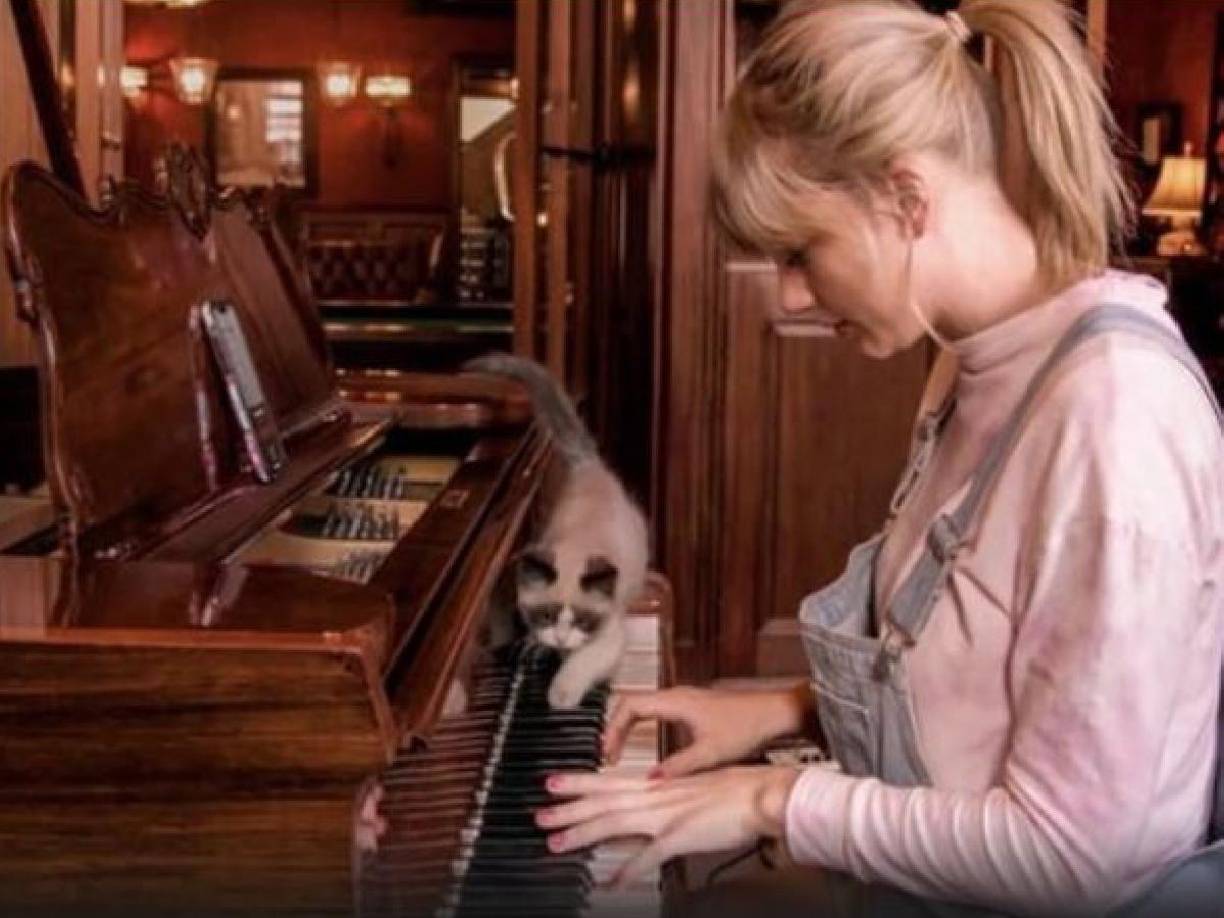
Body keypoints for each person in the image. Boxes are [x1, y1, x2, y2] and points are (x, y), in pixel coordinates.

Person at [533, 1, 1224, 915]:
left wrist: (773, 798)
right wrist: (784, 712)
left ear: (906, 202)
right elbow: (973, 679)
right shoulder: (968, 359)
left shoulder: (1114, 420)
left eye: (799, 251)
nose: (790, 293)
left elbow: (1076, 859)